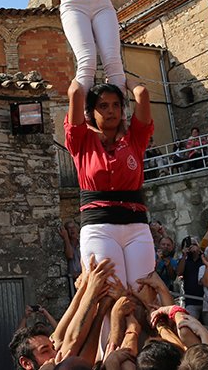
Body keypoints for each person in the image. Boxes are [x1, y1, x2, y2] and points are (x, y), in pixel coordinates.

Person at [66, 78, 154, 287]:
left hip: (136, 226)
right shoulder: (81, 141)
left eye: (116, 105)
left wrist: (120, 78)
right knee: (109, 293)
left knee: (143, 290)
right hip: (99, 225)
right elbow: (76, 91)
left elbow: (141, 93)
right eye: (103, 106)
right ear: (92, 113)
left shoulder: (134, 139)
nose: (110, 111)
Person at [177, 235, 205, 318]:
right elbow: (179, 272)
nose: (191, 247)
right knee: (192, 325)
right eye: (189, 245)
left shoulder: (204, 258)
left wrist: (198, 252)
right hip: (191, 301)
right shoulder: (184, 260)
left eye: (194, 244)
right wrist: (184, 255)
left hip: (206, 300)